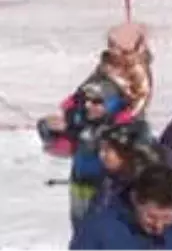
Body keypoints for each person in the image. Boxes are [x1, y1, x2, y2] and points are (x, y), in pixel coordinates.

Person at [37, 77, 129, 229]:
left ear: (112, 103)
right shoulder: (81, 121)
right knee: (81, 231)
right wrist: (51, 132)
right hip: (80, 186)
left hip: (108, 191)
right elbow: (63, 148)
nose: (88, 105)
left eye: (97, 102)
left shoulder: (125, 126)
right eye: (86, 100)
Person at [70, 164, 172, 250]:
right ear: (135, 199)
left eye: (167, 217)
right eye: (151, 217)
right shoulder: (98, 230)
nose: (158, 226)